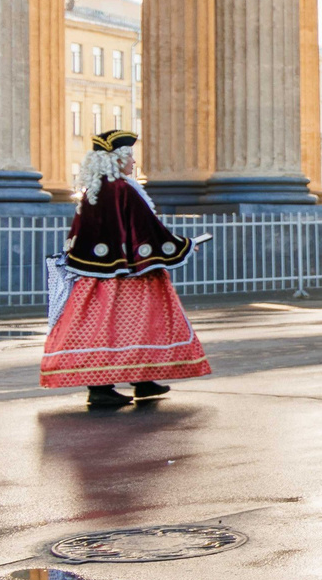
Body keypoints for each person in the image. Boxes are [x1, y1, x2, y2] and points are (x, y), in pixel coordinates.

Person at [40, 129, 212, 409]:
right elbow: (146, 230)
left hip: (95, 279)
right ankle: (107, 388)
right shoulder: (123, 189)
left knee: (98, 328)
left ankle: (137, 381)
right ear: (117, 159)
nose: (133, 162)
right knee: (135, 326)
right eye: (129, 156)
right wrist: (185, 245)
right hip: (132, 277)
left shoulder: (93, 190)